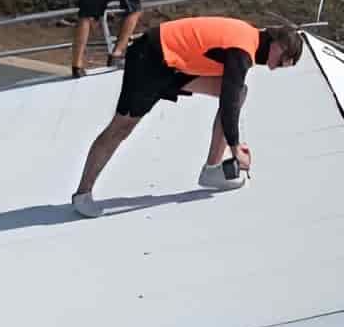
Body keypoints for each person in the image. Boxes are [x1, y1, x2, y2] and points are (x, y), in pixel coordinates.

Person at [71, 17, 304, 218]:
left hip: (175, 66)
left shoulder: (249, 38)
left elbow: (230, 92)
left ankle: (212, 170)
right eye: (282, 62)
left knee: (239, 92)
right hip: (150, 58)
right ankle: (83, 194)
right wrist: (235, 147)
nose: (276, 68)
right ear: (278, 45)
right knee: (120, 128)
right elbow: (228, 102)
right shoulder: (242, 50)